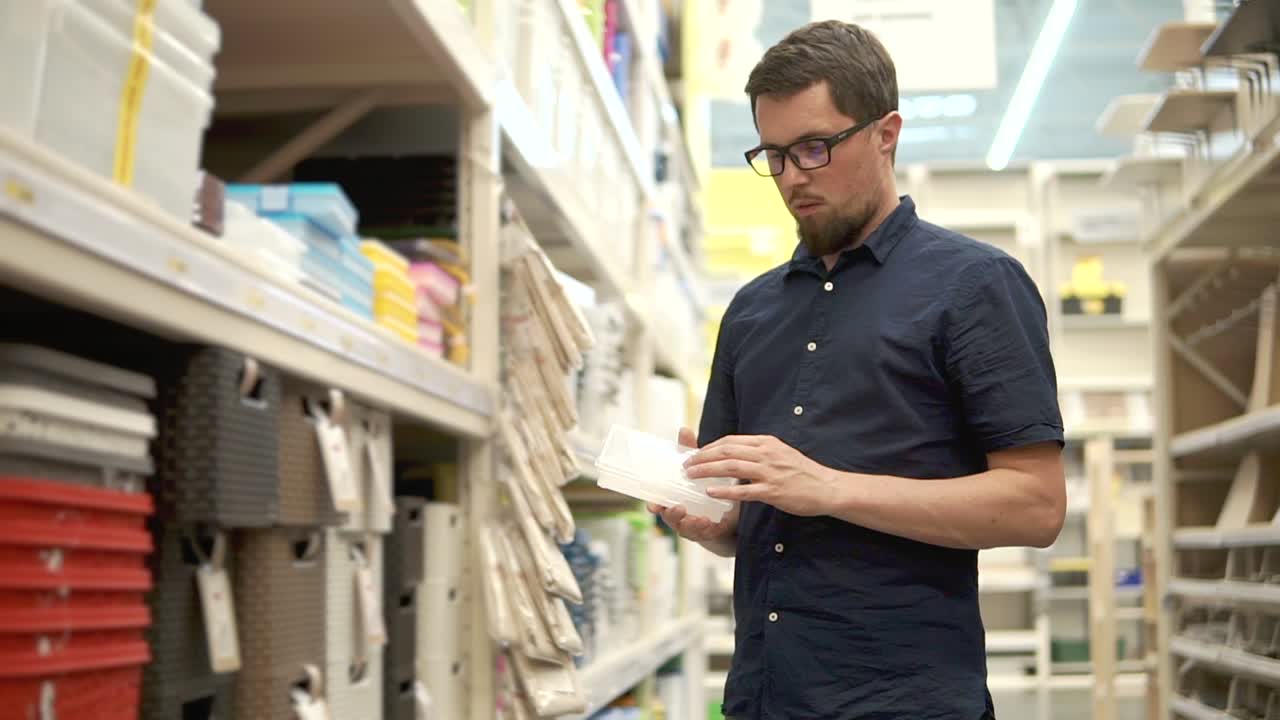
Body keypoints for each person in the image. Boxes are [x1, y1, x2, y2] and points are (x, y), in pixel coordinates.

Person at [648, 20, 1067, 720]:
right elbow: (748, 522)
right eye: (773, 154)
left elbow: (1036, 504)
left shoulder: (975, 286)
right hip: (764, 697)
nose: (791, 178)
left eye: (814, 148)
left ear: (886, 133)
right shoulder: (751, 312)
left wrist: (828, 487)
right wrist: (714, 521)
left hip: (906, 702)